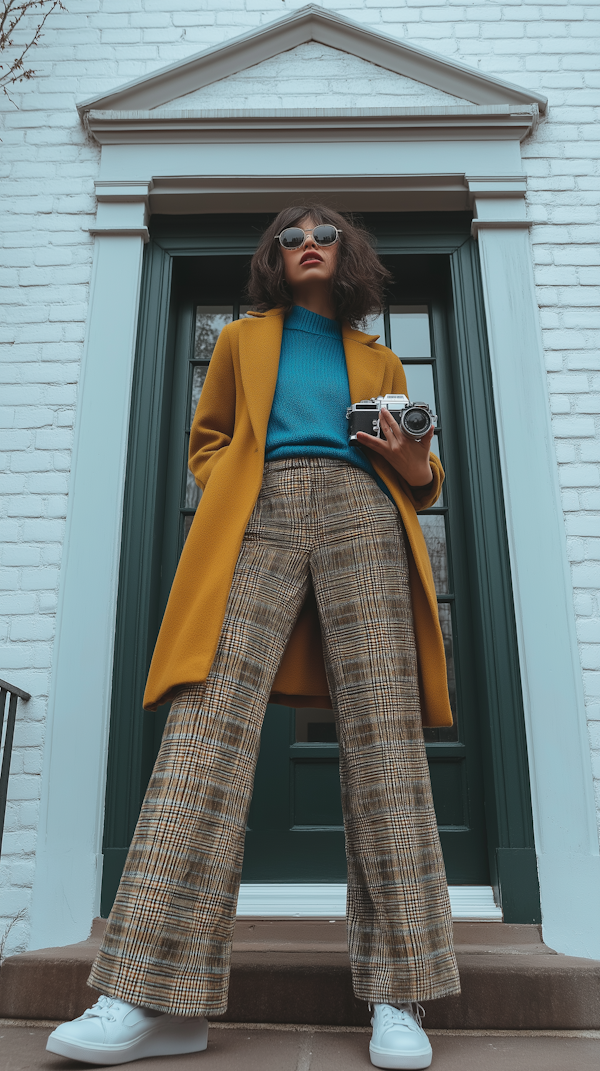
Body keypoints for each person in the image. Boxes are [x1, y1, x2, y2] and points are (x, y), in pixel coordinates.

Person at [47, 205, 460, 1070]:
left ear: (349, 256)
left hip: (364, 513)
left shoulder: (380, 355)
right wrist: (237, 479)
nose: (308, 243)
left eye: (325, 234)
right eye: (291, 236)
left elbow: (423, 476)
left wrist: (416, 465)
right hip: (259, 513)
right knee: (204, 731)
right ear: (274, 257)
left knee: (385, 740)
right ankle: (150, 996)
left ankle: (400, 993)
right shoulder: (239, 340)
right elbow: (207, 443)